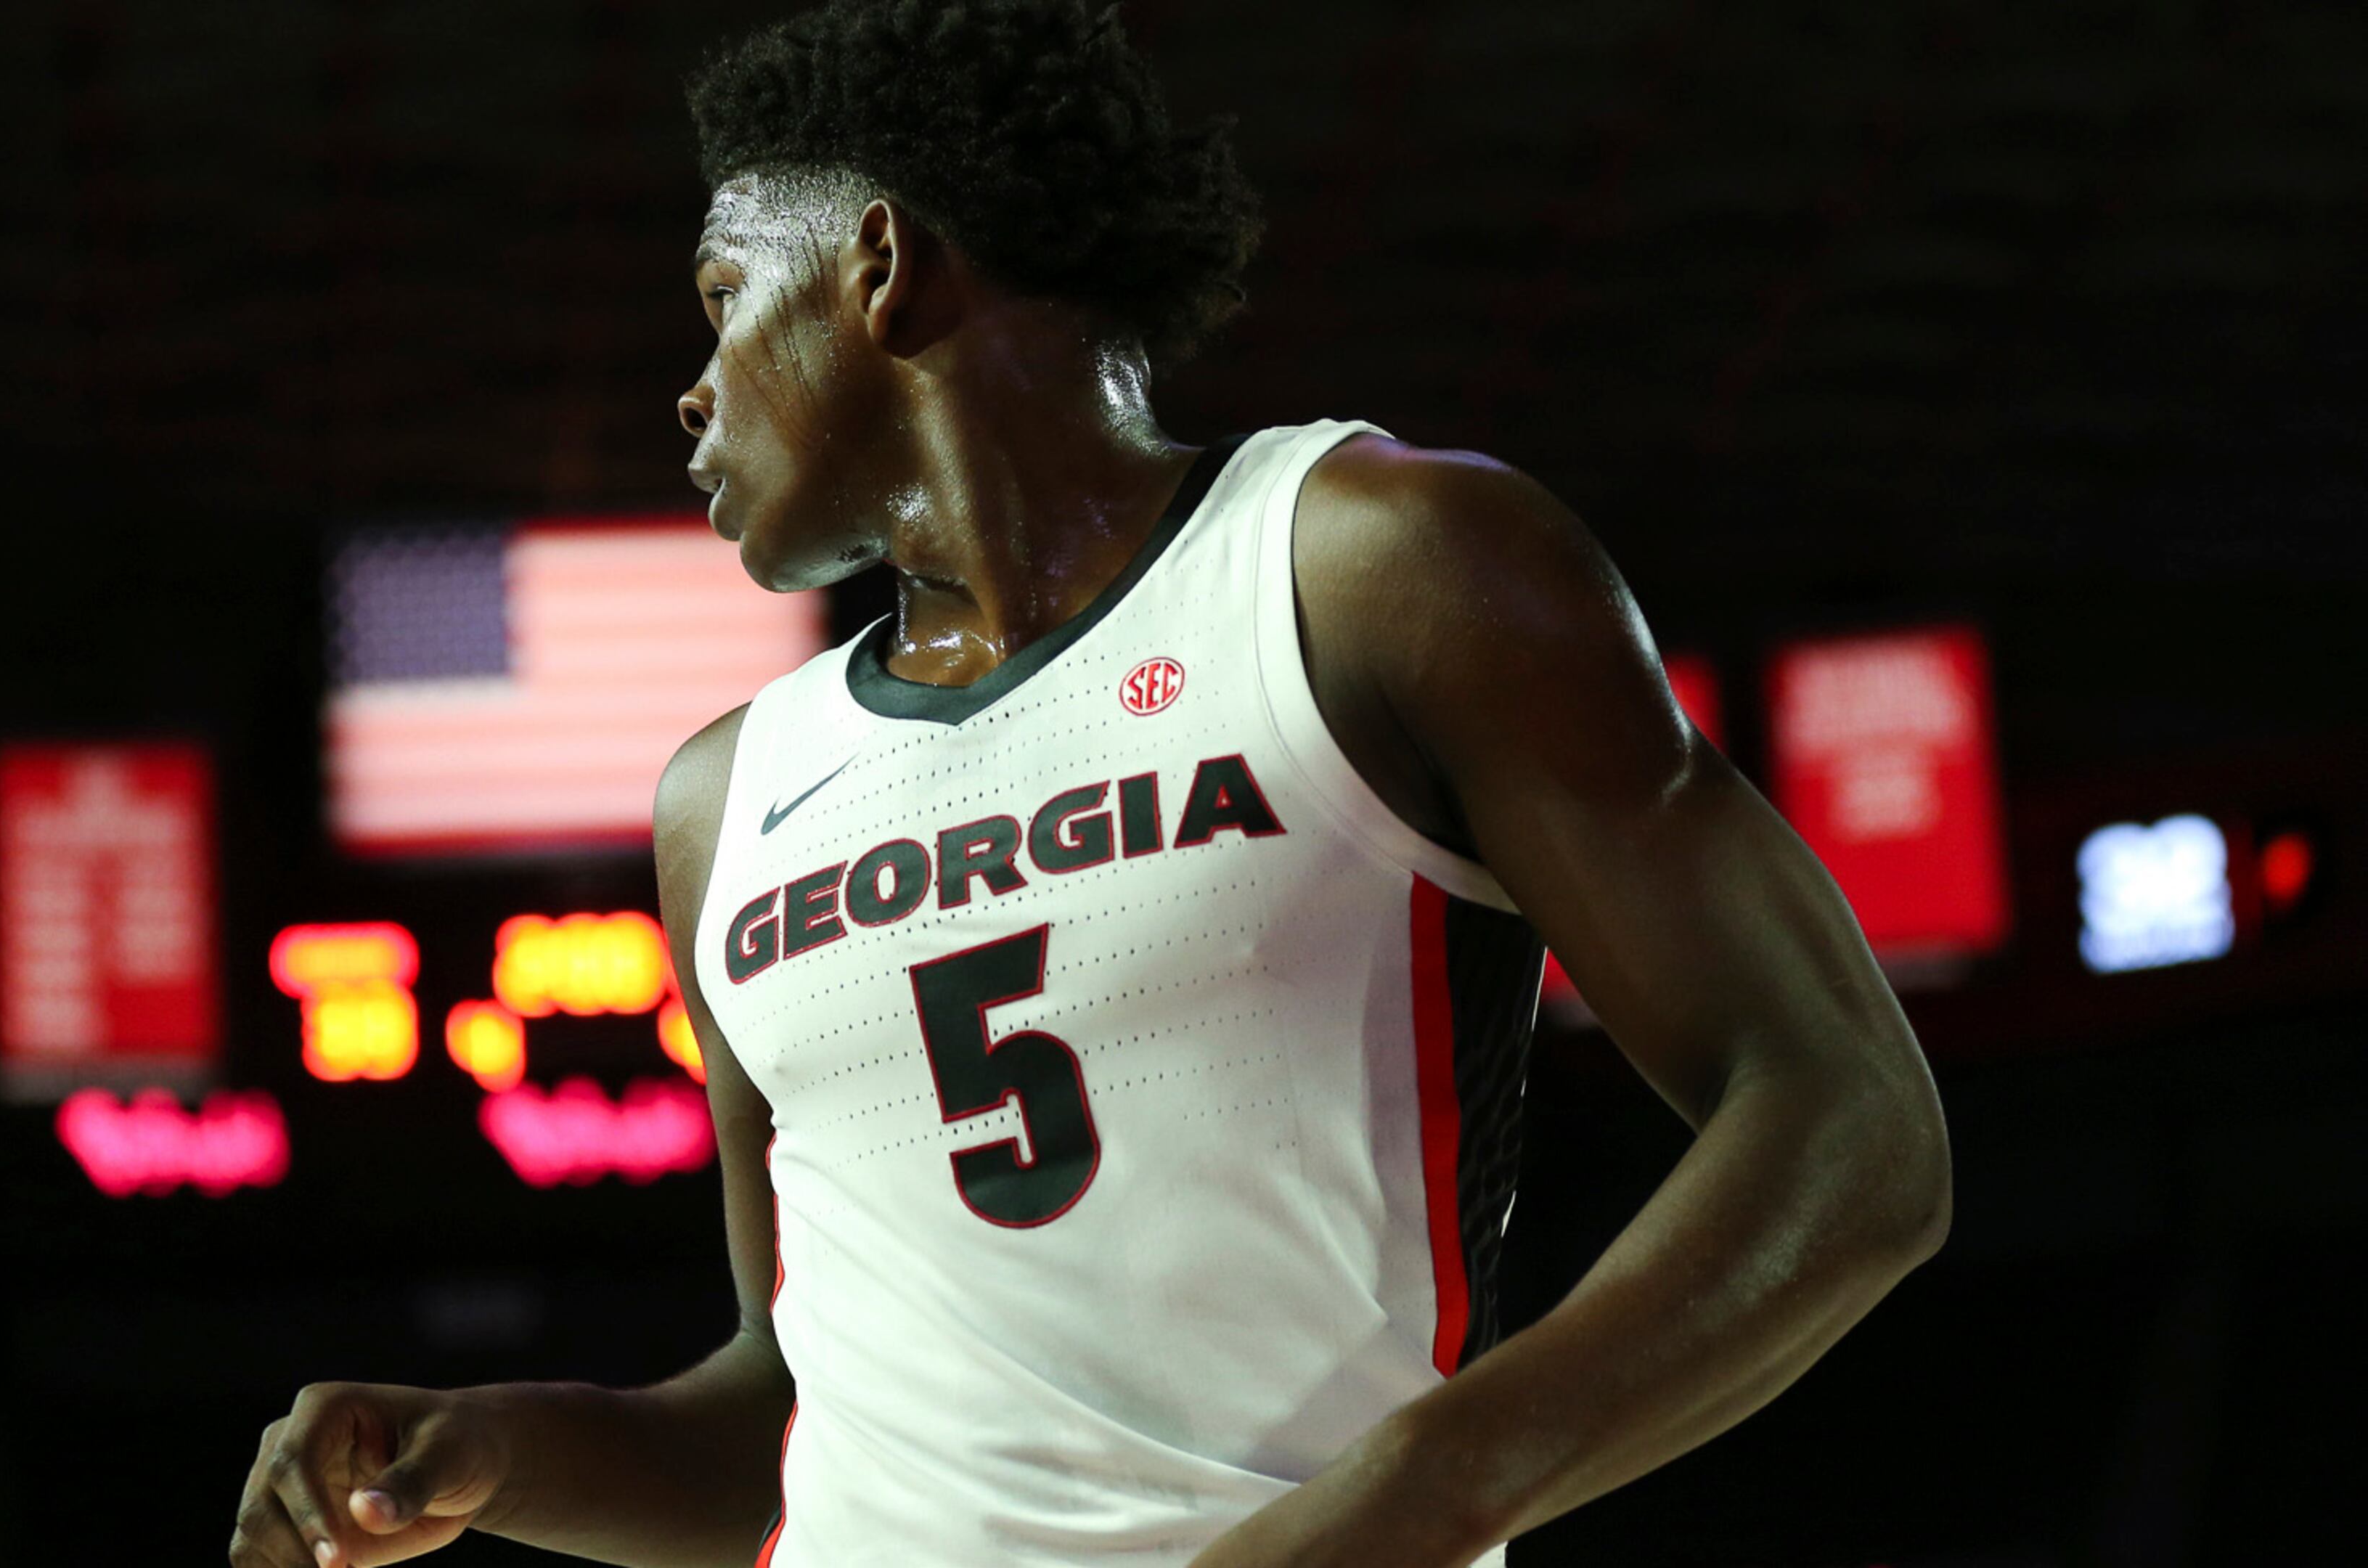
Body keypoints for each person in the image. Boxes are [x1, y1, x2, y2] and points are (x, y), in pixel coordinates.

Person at [228, 2, 1952, 1564]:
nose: (690, 388)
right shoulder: (723, 800)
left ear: (881, 265)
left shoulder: (1379, 568)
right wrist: (490, 1454)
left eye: (720, 299)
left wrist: (1410, 1500)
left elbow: (1852, 1130)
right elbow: (785, 1413)